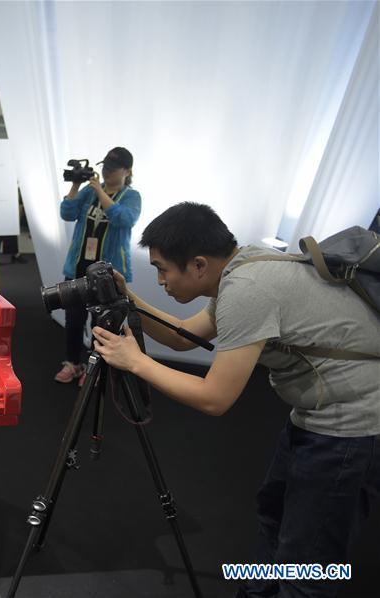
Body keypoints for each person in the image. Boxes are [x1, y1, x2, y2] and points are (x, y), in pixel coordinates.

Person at [91, 202, 380, 598]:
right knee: (274, 519)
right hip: (316, 417)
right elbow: (183, 336)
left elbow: (215, 398)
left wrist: (137, 362)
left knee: (309, 564)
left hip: (351, 427)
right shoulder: (244, 266)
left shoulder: (248, 289)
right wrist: (129, 300)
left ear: (198, 265)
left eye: (162, 269)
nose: (160, 281)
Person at [55, 147, 141, 383]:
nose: (107, 172)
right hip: (78, 267)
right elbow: (67, 213)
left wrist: (100, 191)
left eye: (113, 169)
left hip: (107, 274)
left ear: (127, 171)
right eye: (106, 167)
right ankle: (73, 363)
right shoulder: (89, 191)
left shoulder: (131, 196)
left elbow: (124, 219)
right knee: (73, 320)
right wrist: (75, 185)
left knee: (100, 325)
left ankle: (94, 370)